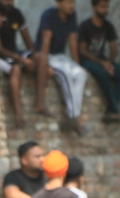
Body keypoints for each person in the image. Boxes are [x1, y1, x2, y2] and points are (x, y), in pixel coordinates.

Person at [36, 0, 88, 136]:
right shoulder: (49, 15)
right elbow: (46, 41)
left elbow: (72, 42)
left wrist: (77, 64)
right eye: (68, 2)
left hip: (61, 56)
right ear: (59, 4)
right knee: (65, 75)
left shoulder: (72, 16)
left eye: (73, 2)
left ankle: (72, 116)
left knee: (81, 74)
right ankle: (76, 118)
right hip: (47, 56)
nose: (72, 6)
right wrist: (45, 65)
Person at [0, 0, 36, 126]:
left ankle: (40, 104)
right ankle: (18, 115)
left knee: (41, 59)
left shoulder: (15, 13)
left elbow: (27, 39)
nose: (9, 3)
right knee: (16, 69)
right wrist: (21, 60)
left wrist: (35, 59)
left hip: (14, 53)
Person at [77, 0, 120, 124]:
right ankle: (116, 110)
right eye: (102, 7)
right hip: (87, 60)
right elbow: (83, 51)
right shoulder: (85, 26)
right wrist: (102, 63)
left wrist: (109, 63)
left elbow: (113, 49)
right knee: (102, 74)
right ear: (94, 8)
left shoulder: (108, 26)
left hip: (102, 60)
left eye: (106, 7)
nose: (105, 10)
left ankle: (110, 112)